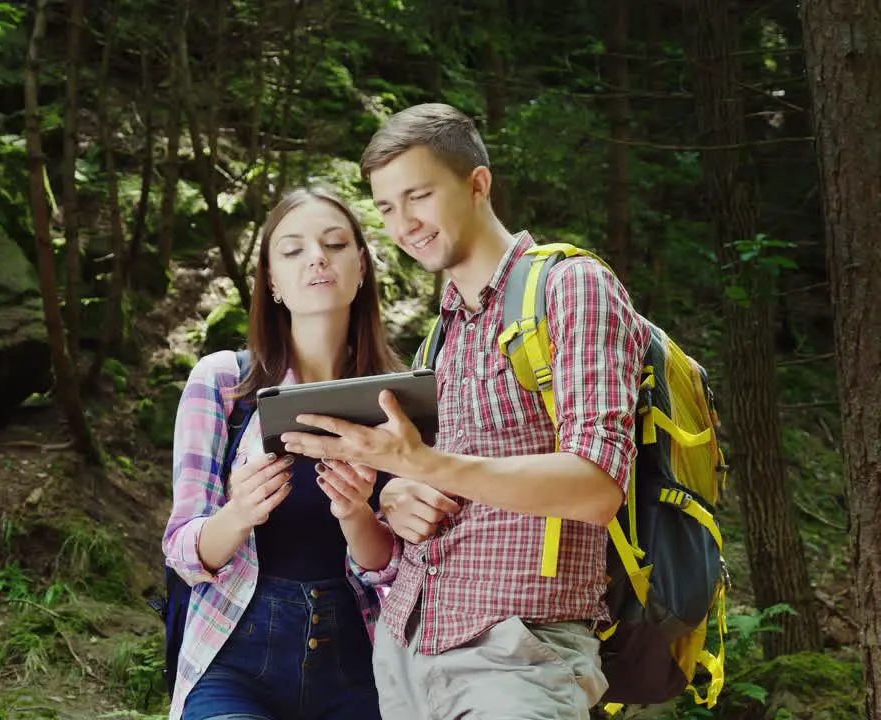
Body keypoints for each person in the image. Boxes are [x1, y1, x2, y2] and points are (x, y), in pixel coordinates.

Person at [279, 103, 652, 719]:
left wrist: (424, 461)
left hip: (519, 656)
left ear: (478, 184)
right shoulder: (438, 340)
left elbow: (596, 487)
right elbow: (426, 500)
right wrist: (396, 495)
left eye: (418, 196)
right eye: (387, 208)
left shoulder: (571, 288)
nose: (405, 224)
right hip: (404, 656)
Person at [161, 187, 406, 720]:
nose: (317, 256)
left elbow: (396, 569)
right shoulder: (224, 384)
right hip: (234, 655)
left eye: (335, 243)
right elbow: (182, 551)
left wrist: (355, 513)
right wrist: (238, 514)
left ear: (361, 268)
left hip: (359, 663)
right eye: (293, 250)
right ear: (271, 281)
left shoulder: (396, 401)